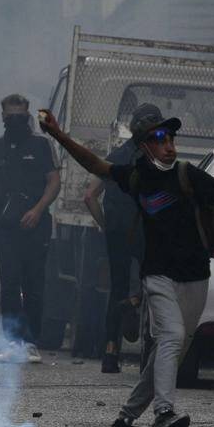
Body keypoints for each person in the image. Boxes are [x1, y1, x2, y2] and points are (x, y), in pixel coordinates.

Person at [39, 108, 214, 427]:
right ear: (143, 147)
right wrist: (59, 135)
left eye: (170, 139)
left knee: (169, 352)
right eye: (158, 140)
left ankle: (123, 422)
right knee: (171, 336)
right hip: (158, 274)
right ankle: (164, 413)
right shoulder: (136, 176)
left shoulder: (188, 174)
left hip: (196, 276)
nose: (168, 146)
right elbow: (95, 166)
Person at [0, 94, 61, 364]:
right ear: (2, 116)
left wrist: (38, 209)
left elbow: (54, 182)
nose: (15, 121)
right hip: (5, 227)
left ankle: (30, 342)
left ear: (27, 115)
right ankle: (11, 341)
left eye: (20, 116)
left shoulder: (41, 145)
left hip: (35, 226)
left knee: (34, 284)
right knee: (10, 284)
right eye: (10, 116)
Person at [83, 105, 161, 374]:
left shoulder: (115, 157)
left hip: (117, 231)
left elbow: (90, 196)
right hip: (147, 232)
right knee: (153, 288)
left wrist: (106, 225)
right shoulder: (158, 158)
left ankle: (110, 355)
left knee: (116, 289)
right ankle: (147, 357)